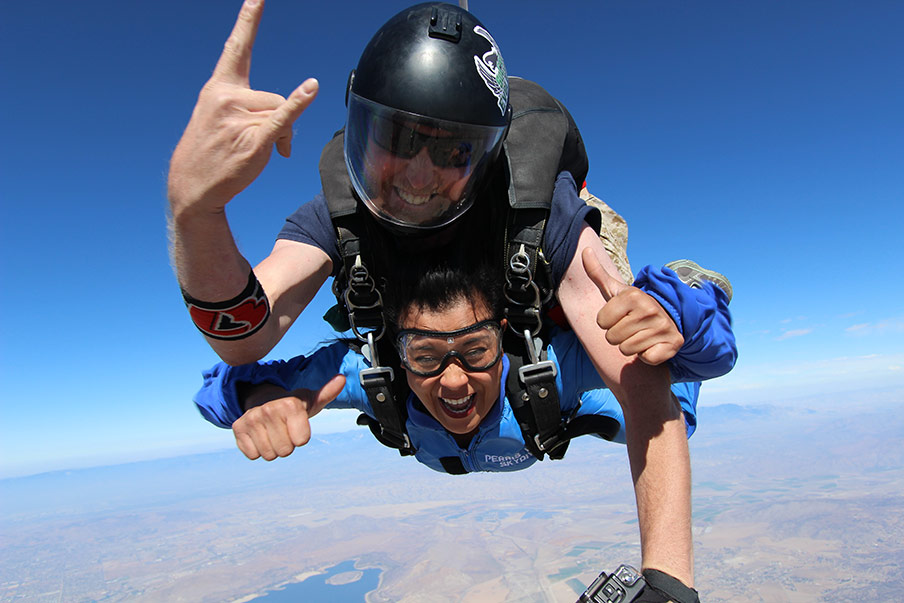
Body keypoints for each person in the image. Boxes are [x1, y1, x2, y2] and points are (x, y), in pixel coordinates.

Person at [167, 0, 734, 590]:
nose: (417, 178)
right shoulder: (343, 227)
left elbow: (645, 383)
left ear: (484, 156)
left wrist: (677, 320)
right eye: (399, 138)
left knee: (657, 352)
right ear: (363, 130)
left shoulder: (536, 212)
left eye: (451, 151)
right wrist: (196, 210)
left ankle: (685, 292)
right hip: (467, 349)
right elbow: (242, 343)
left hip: (531, 305)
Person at [194, 256, 732, 603]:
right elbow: (219, 386)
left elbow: (707, 361)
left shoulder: (551, 369)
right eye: (425, 356)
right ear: (398, 353)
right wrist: (259, 399)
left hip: (559, 404)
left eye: (476, 351)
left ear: (504, 339)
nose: (453, 381)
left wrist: (674, 313)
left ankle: (687, 282)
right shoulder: (374, 376)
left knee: (666, 411)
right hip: (523, 422)